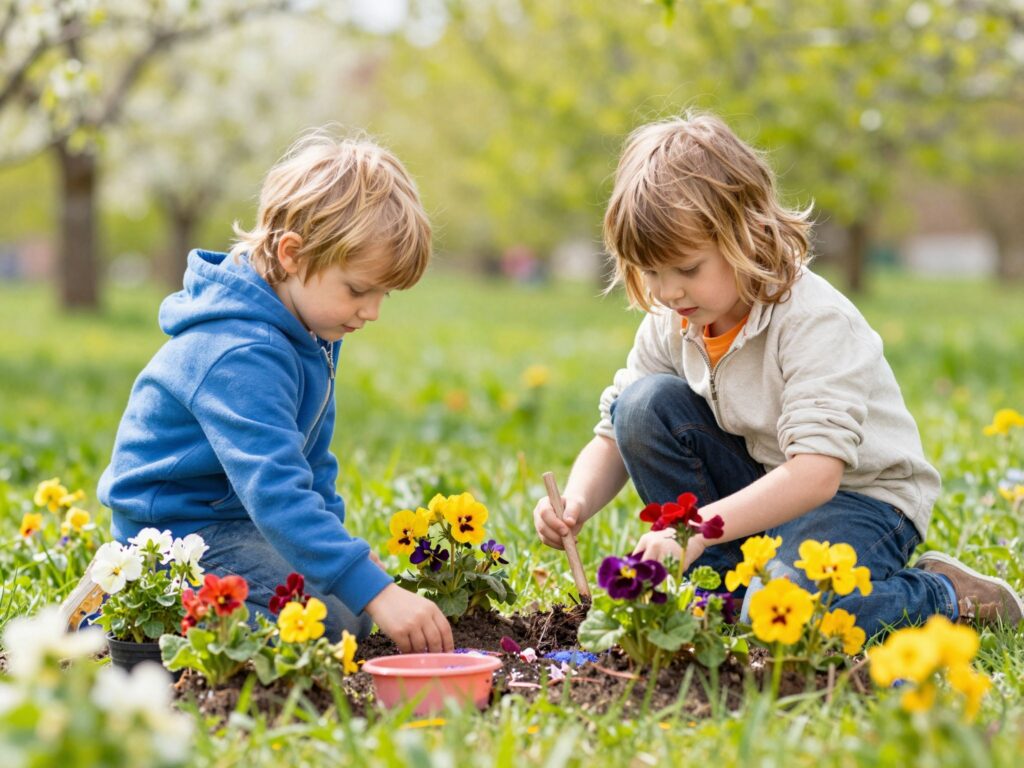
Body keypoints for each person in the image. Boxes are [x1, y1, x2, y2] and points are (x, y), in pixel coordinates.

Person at [533, 112, 1023, 636]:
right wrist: (578, 500)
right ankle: (730, 588)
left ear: (745, 235)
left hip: (860, 500)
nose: (668, 291)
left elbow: (816, 474)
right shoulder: (674, 321)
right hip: (764, 485)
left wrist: (692, 529)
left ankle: (948, 596)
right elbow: (612, 436)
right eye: (652, 271)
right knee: (642, 406)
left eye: (688, 269)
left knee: (786, 617)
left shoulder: (814, 320)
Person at [99, 130, 454, 653]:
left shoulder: (312, 328)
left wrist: (347, 561)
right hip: (175, 536)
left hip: (233, 520)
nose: (372, 311)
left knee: (349, 613)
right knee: (329, 627)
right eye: (359, 289)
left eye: (384, 294)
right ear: (291, 254)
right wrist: (372, 590)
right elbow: (277, 490)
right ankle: (140, 616)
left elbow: (309, 464)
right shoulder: (242, 351)